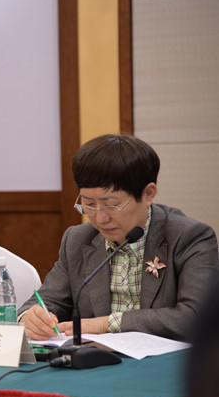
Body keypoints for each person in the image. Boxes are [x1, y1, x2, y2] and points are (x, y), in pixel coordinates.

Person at [18, 134, 218, 341]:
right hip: (97, 356)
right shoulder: (78, 239)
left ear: (148, 194)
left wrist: (105, 324)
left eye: (112, 205)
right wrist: (31, 317)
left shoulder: (189, 237)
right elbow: (47, 301)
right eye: (89, 204)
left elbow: (197, 317)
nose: (100, 219)